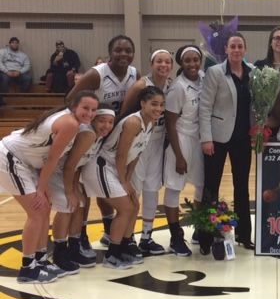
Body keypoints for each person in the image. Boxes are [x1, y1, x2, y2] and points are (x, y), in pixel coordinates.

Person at [0, 91, 99, 283]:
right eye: (85, 108)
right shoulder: (70, 123)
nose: (90, 113)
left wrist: (43, 188)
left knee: (44, 210)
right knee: (37, 212)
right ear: (74, 106)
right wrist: (41, 189)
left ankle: (40, 259)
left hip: (25, 162)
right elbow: (53, 159)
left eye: (93, 110)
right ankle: (27, 268)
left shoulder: (72, 121)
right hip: (10, 157)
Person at [67, 35, 139, 250]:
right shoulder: (96, 74)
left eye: (128, 50)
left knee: (104, 186)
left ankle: (109, 230)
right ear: (110, 52)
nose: (123, 54)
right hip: (90, 134)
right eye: (118, 50)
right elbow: (70, 100)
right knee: (84, 189)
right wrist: (87, 123)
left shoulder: (134, 74)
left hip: (112, 136)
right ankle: (80, 236)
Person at [81, 86, 164, 269]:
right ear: (143, 103)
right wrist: (124, 181)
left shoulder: (151, 123)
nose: (158, 108)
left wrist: (128, 179)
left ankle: (125, 246)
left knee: (134, 204)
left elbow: (136, 154)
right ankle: (112, 255)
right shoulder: (134, 122)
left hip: (117, 167)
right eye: (154, 104)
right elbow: (120, 154)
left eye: (161, 105)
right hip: (101, 165)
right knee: (126, 208)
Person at [199, 33, 255, 251]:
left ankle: (243, 235)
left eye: (240, 46)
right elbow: (205, 107)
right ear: (226, 49)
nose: (237, 50)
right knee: (211, 187)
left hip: (243, 138)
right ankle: (206, 237)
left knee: (242, 188)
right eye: (233, 46)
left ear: (245, 49)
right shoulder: (215, 72)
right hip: (217, 138)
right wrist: (206, 138)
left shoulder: (253, 73)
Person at [48, 105, 115, 274]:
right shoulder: (87, 134)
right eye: (102, 121)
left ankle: (73, 247)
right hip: (54, 170)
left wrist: (76, 188)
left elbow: (77, 164)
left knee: (80, 204)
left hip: (67, 171)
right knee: (67, 204)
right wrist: (71, 191)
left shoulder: (98, 136)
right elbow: (69, 165)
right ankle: (59, 252)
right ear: (93, 120)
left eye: (110, 122)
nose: (106, 126)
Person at [120, 49, 173, 256]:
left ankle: (147, 237)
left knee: (152, 189)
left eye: (167, 62)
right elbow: (124, 114)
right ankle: (128, 238)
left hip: (158, 141)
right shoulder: (141, 85)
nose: (163, 65)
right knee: (134, 189)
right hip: (139, 142)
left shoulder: (171, 85)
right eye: (159, 61)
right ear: (152, 64)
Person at [163, 45, 206, 257]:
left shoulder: (204, 79)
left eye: (195, 60)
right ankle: (175, 237)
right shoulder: (178, 87)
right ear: (181, 63)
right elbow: (170, 124)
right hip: (180, 139)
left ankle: (199, 228)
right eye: (187, 61)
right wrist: (178, 155)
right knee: (174, 187)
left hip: (199, 139)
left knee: (202, 185)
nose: (192, 64)